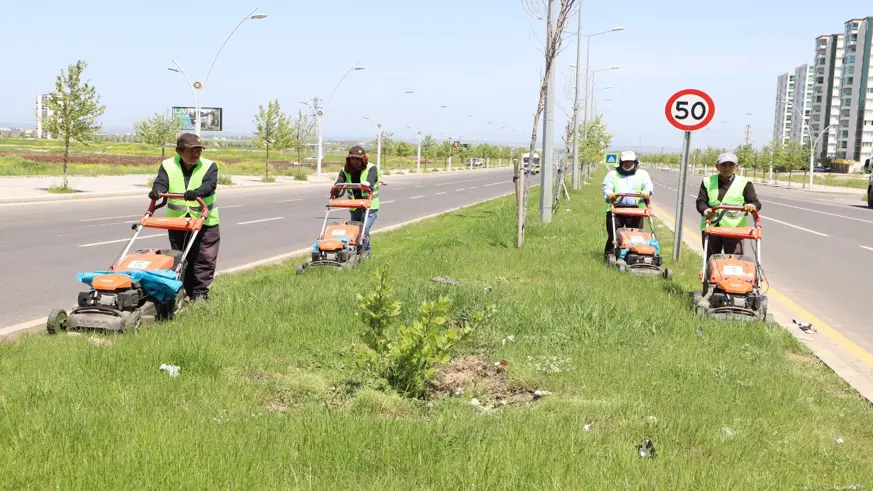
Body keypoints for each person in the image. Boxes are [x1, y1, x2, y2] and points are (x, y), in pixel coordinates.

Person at [148, 133, 220, 302]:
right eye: (191, 150)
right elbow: (161, 182)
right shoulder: (168, 165)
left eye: (198, 150)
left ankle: (200, 293)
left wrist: (197, 193)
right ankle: (184, 291)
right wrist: (156, 191)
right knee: (180, 257)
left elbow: (210, 185)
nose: (196, 154)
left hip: (206, 221)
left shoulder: (209, 166)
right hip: (178, 221)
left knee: (204, 258)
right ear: (180, 151)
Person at [695, 152, 762, 263]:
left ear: (736, 166)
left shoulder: (745, 183)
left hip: (734, 230)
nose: (727, 167)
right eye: (723, 164)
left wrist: (752, 206)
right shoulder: (707, 181)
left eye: (730, 164)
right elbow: (701, 202)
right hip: (712, 228)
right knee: (711, 262)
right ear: (717, 166)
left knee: (734, 262)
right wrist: (705, 210)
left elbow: (756, 203)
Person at [601, 150, 654, 258]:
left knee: (636, 236)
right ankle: (610, 256)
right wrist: (610, 194)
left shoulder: (642, 174)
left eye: (631, 161)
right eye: (626, 161)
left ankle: (634, 257)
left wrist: (646, 192)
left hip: (636, 210)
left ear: (635, 162)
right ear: (621, 162)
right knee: (614, 235)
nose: (628, 163)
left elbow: (648, 186)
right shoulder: (612, 174)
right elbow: (607, 187)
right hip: (616, 209)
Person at [332, 145, 379, 255]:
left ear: (363, 159)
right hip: (354, 207)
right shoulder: (345, 170)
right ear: (349, 159)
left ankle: (365, 253)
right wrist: (335, 191)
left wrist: (367, 184)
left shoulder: (371, 168)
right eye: (352, 159)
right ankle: (354, 253)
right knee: (353, 230)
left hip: (370, 207)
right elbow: (340, 182)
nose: (355, 161)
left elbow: (371, 181)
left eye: (357, 159)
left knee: (364, 230)